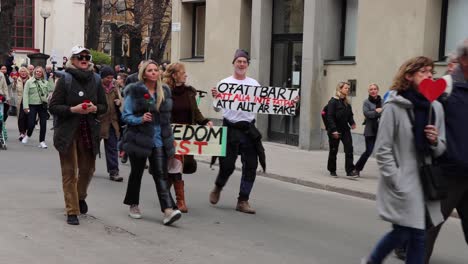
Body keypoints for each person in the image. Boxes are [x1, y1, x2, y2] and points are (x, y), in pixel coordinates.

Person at [362, 56, 446, 264]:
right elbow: (383, 149)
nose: (429, 75)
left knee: (409, 233)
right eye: (423, 72)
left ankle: (371, 261)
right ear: (408, 76)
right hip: (404, 183)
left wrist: (435, 141)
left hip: (425, 183)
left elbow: (442, 147)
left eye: (431, 72)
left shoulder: (434, 108)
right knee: (413, 234)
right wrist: (397, 180)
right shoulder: (394, 107)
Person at [49, 45, 107, 225]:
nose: (84, 59)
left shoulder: (96, 79)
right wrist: (73, 109)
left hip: (88, 131)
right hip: (67, 132)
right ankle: (72, 210)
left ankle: (80, 196)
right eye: (80, 56)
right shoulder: (65, 79)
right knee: (69, 172)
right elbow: (53, 107)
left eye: (86, 57)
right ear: (72, 60)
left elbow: (104, 106)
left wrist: (95, 108)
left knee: (88, 170)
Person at [121, 60, 182, 225]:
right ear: (144, 73)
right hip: (139, 138)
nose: (154, 72)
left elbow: (166, 121)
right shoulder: (134, 91)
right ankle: (133, 204)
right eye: (150, 70)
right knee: (137, 173)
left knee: (161, 174)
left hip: (158, 140)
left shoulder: (164, 92)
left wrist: (170, 140)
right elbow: (125, 116)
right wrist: (139, 119)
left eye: (156, 70)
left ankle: (168, 210)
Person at [425, 39, 468, 263]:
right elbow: (419, 115)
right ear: (464, 60)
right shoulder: (445, 85)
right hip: (446, 176)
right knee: (427, 234)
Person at [209, 49, 266, 214]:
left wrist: (287, 102)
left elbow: (265, 102)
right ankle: (218, 187)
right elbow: (216, 107)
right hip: (230, 128)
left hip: (248, 129)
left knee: (251, 165)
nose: (241, 64)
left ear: (247, 65)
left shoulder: (254, 84)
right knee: (227, 165)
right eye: (238, 61)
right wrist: (217, 96)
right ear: (233, 63)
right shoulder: (224, 83)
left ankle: (243, 200)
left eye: (244, 62)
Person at [163, 62, 213, 213]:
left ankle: (165, 194)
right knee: (175, 165)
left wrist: (205, 122)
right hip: (169, 136)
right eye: (183, 72)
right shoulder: (165, 92)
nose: (186, 74)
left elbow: (195, 112)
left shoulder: (189, 92)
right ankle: (180, 201)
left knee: (175, 166)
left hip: (186, 137)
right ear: (174, 75)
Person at [326, 81, 359, 178]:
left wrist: (352, 123)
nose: (347, 90)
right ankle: (332, 170)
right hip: (335, 130)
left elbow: (350, 115)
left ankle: (350, 171)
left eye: (348, 88)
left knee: (349, 149)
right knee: (333, 150)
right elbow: (330, 117)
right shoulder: (333, 101)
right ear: (340, 89)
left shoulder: (346, 103)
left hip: (345, 130)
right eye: (346, 88)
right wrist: (333, 130)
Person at [98, 66, 123, 182]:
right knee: (91, 149)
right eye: (107, 77)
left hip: (112, 123)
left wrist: (119, 102)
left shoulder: (115, 87)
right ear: (102, 77)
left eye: (111, 77)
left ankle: (114, 171)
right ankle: (86, 168)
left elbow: (121, 100)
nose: (110, 80)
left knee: (112, 148)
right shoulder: (96, 86)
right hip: (98, 122)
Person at [21, 66, 54, 148]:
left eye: (40, 72)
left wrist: (50, 79)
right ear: (34, 72)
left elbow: (51, 89)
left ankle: (42, 141)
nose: (38, 73)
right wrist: (25, 106)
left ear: (42, 73)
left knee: (43, 124)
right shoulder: (29, 82)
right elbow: (25, 94)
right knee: (31, 123)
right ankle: (28, 135)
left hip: (42, 105)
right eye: (37, 71)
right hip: (32, 105)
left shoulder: (45, 82)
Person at [355, 83, 382, 175]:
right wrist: (376, 111)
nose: (373, 91)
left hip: (381, 130)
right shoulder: (366, 102)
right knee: (368, 151)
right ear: (369, 91)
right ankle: (357, 169)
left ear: (377, 90)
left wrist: (376, 112)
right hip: (370, 130)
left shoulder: (382, 101)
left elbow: (386, 113)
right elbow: (367, 114)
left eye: (375, 89)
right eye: (371, 89)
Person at [16, 67, 30, 141]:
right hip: (21, 101)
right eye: (21, 71)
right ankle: (22, 132)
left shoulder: (31, 80)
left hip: (29, 101)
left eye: (24, 71)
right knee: (21, 117)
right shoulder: (17, 79)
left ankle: (26, 131)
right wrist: (14, 83)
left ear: (27, 72)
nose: (23, 73)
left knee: (28, 117)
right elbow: (13, 89)